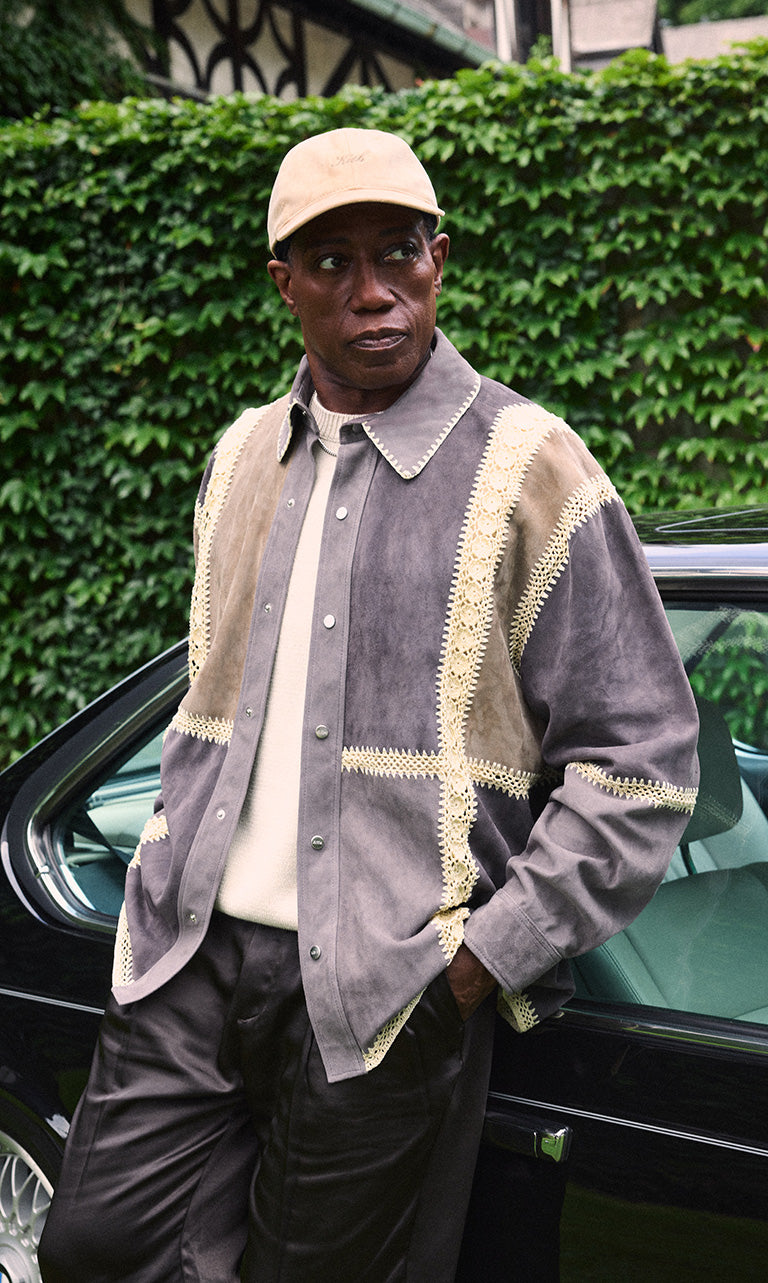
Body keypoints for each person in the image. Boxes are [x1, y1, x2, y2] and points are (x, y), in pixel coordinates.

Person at [39, 127, 699, 1283]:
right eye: (333, 261)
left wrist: (479, 962)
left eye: (399, 251)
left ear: (439, 257)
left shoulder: (533, 464)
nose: (374, 290)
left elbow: (641, 762)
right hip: (189, 957)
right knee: (91, 1246)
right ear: (281, 282)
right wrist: (158, 881)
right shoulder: (242, 454)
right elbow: (213, 705)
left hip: (390, 992)